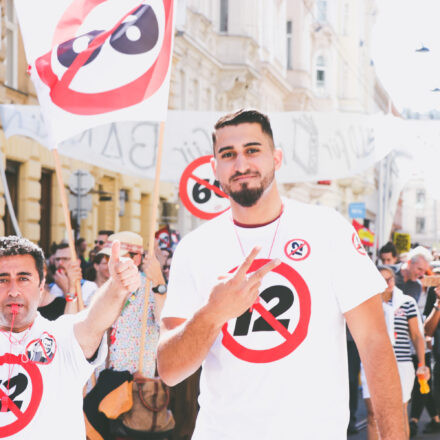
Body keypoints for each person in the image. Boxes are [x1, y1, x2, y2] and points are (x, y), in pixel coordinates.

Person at [157, 109, 405, 439]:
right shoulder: (195, 248)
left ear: (276, 158)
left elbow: (374, 344)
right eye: (228, 155)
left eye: (252, 150)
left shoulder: (326, 230)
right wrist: (212, 313)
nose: (241, 164)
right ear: (214, 168)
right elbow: (170, 370)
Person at [0, 235, 140, 438]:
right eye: (2, 279)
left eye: (23, 278)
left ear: (41, 286)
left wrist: (116, 287)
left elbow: (94, 321)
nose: (13, 290)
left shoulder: (61, 337)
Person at [361, 266, 428, 439]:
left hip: (401, 363)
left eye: (390, 278)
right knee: (373, 414)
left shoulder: (406, 301)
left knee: (399, 413)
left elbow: (416, 336)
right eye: (382, 279)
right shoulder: (366, 303)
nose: (387, 283)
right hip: (373, 362)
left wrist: (422, 364)